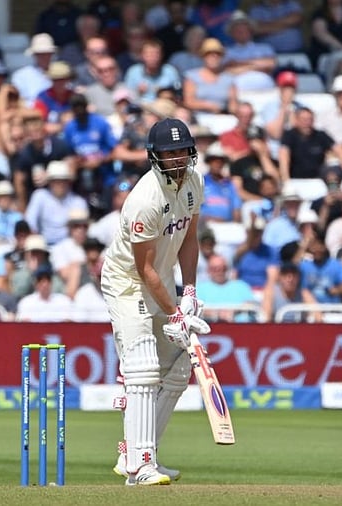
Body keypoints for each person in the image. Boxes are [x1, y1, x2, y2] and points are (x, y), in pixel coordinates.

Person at [101, 117, 210, 486]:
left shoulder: (195, 181)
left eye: (182, 151)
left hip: (161, 279)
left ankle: (137, 452)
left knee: (178, 368)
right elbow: (143, 269)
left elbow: (190, 240)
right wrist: (175, 312)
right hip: (128, 282)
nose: (178, 159)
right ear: (155, 156)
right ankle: (138, 466)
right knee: (144, 368)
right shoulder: (144, 200)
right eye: (170, 153)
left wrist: (190, 291)